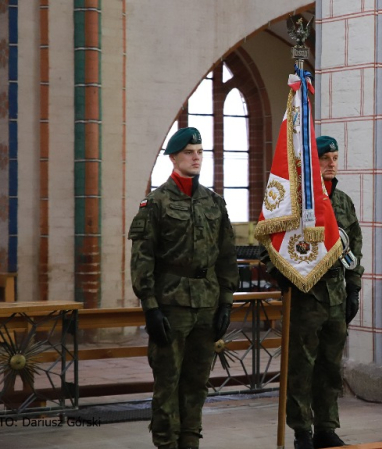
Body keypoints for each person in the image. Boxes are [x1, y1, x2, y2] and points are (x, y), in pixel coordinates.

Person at [129, 127, 239, 449]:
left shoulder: (214, 202)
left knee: (196, 382)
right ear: (174, 157)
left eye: (200, 152)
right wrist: (150, 306)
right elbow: (142, 257)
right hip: (171, 304)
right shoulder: (156, 203)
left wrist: (227, 302)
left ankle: (190, 442)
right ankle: (166, 443)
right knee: (167, 382)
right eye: (189, 152)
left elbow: (226, 254)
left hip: (207, 302)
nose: (196, 157)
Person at [262, 135, 364, 449]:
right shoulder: (293, 202)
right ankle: (301, 431)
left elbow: (354, 245)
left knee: (330, 368)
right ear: (312, 164)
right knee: (301, 369)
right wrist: (281, 276)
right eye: (325, 159)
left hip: (336, 293)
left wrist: (354, 288)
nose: (332, 164)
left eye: (335, 158)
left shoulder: (343, 201)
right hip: (306, 296)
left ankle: (326, 428)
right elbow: (268, 243)